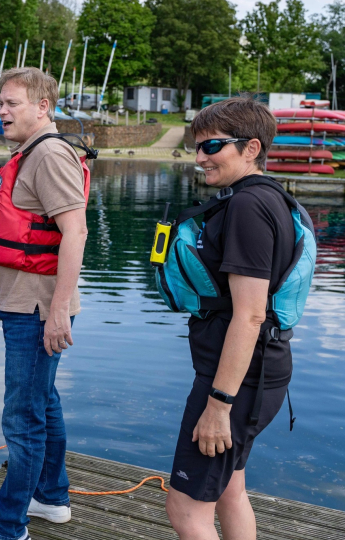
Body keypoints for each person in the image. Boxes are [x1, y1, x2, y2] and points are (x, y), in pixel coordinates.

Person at [163, 96, 310, 539]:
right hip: (260, 373)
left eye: (212, 147)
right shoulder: (271, 199)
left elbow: (249, 316)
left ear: (251, 148)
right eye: (197, 146)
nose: (200, 157)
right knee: (229, 488)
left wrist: (217, 406)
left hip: (236, 383)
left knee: (186, 510)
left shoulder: (248, 207)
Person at [0, 67, 89, 540]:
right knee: (44, 403)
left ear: (43, 107)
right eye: (0, 103)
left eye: (11, 103)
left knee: (22, 418)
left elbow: (74, 232)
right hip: (23, 300)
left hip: (38, 310)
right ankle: (52, 498)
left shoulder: (49, 154)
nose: (1, 111)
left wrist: (58, 311)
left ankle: (10, 525)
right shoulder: (28, 153)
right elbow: (29, 230)